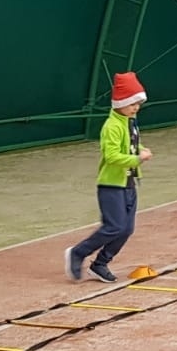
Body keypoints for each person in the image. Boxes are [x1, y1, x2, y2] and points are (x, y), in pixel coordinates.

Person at [65, 72, 153, 284]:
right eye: (132, 103)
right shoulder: (111, 126)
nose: (136, 108)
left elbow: (131, 145)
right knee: (113, 226)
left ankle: (100, 263)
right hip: (111, 185)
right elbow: (112, 156)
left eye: (138, 103)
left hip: (129, 184)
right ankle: (78, 252)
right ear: (120, 103)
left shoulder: (130, 121)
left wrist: (140, 150)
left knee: (127, 229)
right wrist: (137, 158)